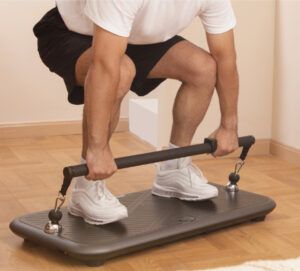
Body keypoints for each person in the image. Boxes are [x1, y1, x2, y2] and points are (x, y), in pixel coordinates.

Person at [33, 0, 239, 225]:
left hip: (131, 36)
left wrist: (229, 126)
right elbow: (105, 65)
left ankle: (174, 169)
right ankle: (87, 187)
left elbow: (225, 57)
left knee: (203, 67)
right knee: (121, 71)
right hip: (71, 33)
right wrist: (97, 149)